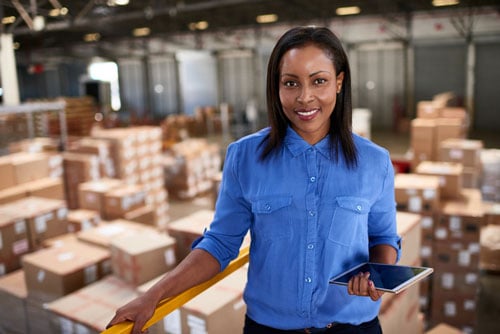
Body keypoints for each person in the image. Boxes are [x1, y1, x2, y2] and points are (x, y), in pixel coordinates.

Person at [107, 26, 401, 334]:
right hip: (270, 328)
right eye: (291, 83)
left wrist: (375, 275)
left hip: (353, 326)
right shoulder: (245, 157)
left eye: (319, 81)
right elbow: (220, 243)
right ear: (276, 87)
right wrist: (152, 296)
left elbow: (383, 238)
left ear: (339, 83)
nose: (304, 97)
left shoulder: (374, 161)